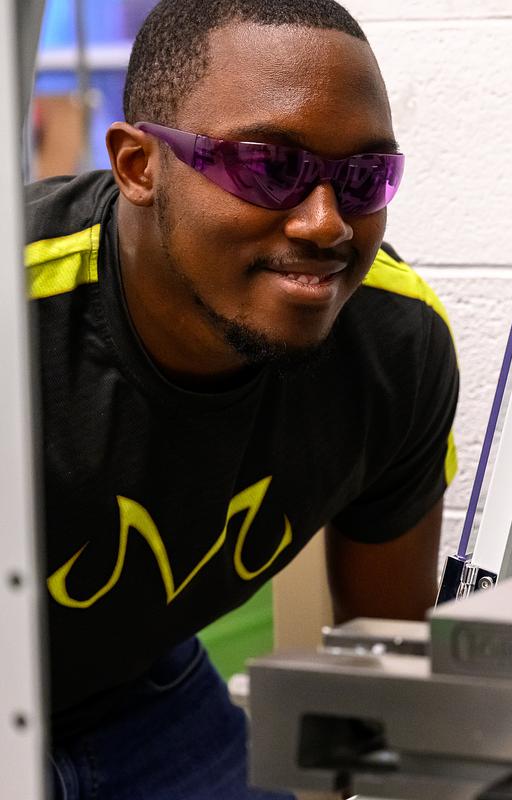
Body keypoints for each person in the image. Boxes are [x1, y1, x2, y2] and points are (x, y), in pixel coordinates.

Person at [27, 1, 458, 797]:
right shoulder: (28, 321)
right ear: (137, 165)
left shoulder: (395, 345)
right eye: (270, 167)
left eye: (363, 179)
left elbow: (387, 657)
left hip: (134, 687)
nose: (326, 224)